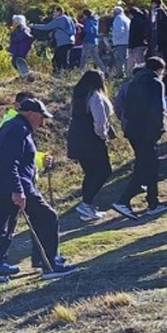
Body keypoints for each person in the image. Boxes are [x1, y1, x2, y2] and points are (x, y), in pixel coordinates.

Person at [0, 98, 77, 287]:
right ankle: (50, 264)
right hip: (16, 187)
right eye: (41, 117)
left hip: (5, 186)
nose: (43, 122)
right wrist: (18, 191)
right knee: (47, 217)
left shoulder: (16, 127)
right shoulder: (17, 130)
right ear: (30, 113)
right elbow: (9, 163)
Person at [111, 57, 167, 219]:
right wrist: (159, 129)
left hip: (133, 129)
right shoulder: (156, 83)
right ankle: (123, 200)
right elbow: (156, 109)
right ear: (159, 70)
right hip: (147, 130)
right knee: (147, 166)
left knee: (149, 165)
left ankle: (153, 202)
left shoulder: (134, 82)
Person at [67, 71, 114, 222]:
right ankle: (86, 203)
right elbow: (99, 123)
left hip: (77, 139)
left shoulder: (78, 98)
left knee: (91, 173)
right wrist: (103, 136)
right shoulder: (96, 97)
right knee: (104, 171)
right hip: (92, 141)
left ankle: (87, 206)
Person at [32, 7, 77, 73]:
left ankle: (60, 74)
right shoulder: (69, 19)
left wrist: (33, 26)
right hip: (70, 41)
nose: (54, 14)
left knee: (57, 60)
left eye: (55, 12)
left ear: (59, 12)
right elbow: (74, 30)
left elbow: (46, 27)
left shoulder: (59, 20)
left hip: (62, 42)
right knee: (64, 59)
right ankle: (66, 74)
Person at [148, 0, 167, 68]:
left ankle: (164, 70)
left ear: (154, 3)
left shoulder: (158, 11)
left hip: (161, 37)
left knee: (162, 56)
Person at [110, 7, 130, 78]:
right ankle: (126, 73)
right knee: (125, 58)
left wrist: (115, 38)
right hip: (126, 41)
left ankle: (120, 74)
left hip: (120, 41)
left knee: (120, 58)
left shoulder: (118, 18)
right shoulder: (126, 19)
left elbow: (119, 30)